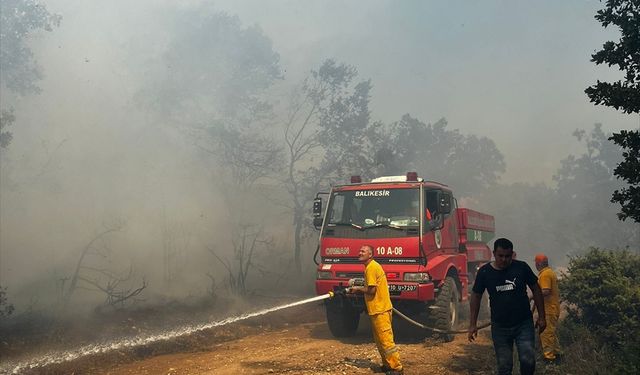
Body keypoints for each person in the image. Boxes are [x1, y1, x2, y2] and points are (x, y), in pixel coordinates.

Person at [468, 238, 546, 375]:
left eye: (507, 256)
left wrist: (542, 317)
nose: (504, 260)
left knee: (528, 361)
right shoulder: (485, 272)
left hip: (523, 323)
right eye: (500, 256)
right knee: (504, 366)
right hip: (500, 327)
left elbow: (536, 289)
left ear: (512, 254)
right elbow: (476, 296)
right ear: (494, 254)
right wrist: (472, 324)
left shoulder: (521, 267)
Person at [348, 244, 403, 375]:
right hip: (377, 310)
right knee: (380, 340)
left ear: (370, 254)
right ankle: (387, 365)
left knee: (386, 340)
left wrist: (356, 289)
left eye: (363, 251)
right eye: (359, 250)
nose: (359, 253)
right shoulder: (370, 267)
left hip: (380, 310)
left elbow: (372, 290)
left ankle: (397, 368)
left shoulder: (371, 268)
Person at [534, 253, 561, 363]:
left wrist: (533, 295)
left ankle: (549, 358)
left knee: (546, 333)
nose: (535, 265)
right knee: (551, 333)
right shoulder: (550, 272)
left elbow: (545, 291)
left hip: (549, 309)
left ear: (539, 263)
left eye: (536, 263)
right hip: (552, 308)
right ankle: (558, 355)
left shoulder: (545, 275)